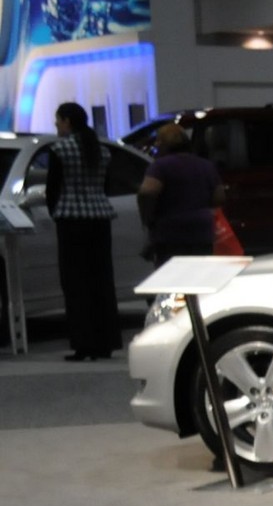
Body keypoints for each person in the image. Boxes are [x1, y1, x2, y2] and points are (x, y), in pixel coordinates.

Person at [44, 102, 121, 361]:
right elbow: (106, 185)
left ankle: (83, 344)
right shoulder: (101, 150)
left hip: (71, 220)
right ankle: (106, 341)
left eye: (58, 120)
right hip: (100, 218)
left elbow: (52, 189)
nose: (56, 125)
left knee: (76, 283)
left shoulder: (60, 149)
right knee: (101, 280)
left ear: (67, 121)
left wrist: (55, 211)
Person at [137, 122, 225, 260]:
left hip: (170, 233)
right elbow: (219, 197)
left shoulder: (160, 166)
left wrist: (148, 219)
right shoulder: (206, 165)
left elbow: (147, 192)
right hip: (202, 232)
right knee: (199, 274)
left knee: (172, 276)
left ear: (162, 144)